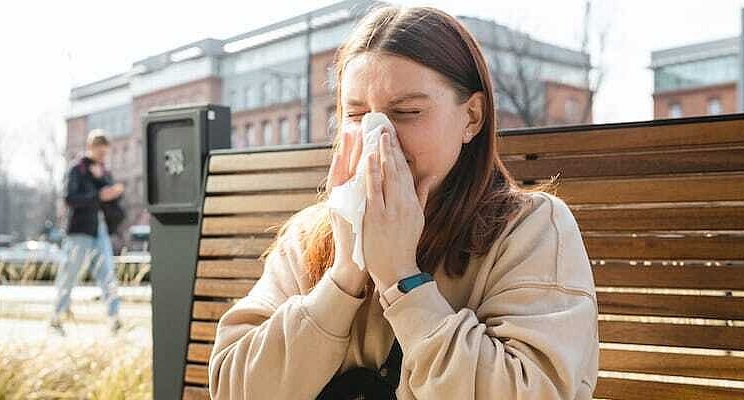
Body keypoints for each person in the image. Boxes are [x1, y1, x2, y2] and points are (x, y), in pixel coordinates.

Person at [208, 5, 599, 399]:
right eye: (357, 114)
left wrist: (401, 279)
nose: (379, 136)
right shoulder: (312, 235)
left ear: (472, 117)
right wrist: (343, 277)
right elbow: (233, 388)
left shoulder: (531, 230)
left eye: (408, 112)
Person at [51, 129, 125, 336]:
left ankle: (114, 318)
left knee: (107, 273)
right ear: (90, 148)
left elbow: (110, 202)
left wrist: (110, 189)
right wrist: (98, 193)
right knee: (70, 273)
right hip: (80, 229)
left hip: (100, 229)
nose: (103, 157)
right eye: (100, 153)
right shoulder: (77, 169)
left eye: (105, 154)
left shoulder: (104, 172)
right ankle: (56, 317)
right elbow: (69, 198)